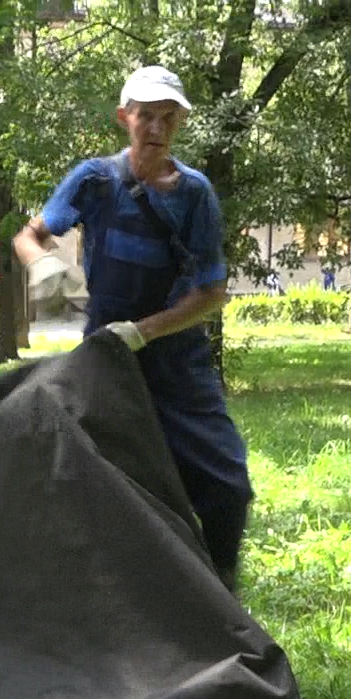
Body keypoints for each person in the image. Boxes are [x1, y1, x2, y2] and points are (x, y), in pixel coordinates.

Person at [14, 64, 252, 589]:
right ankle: (109, 600)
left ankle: (221, 595)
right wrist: (43, 264)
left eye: (169, 118)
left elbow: (211, 293)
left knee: (226, 484)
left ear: (180, 125)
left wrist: (144, 331)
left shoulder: (195, 196)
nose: (156, 128)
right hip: (106, 358)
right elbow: (29, 235)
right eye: (146, 115)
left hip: (177, 359)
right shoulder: (95, 181)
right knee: (94, 483)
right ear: (124, 117)